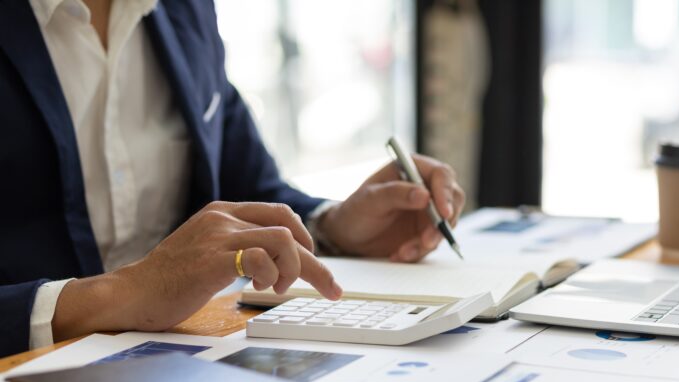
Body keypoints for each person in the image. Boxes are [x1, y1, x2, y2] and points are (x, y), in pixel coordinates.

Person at [0, 0, 466, 358]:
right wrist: (119, 295)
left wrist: (335, 225)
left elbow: (249, 189)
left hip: (174, 364)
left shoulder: (186, 10)